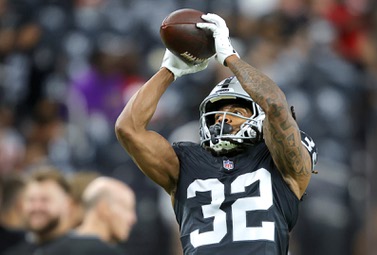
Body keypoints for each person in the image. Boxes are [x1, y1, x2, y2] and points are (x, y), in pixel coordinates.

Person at [115, 13, 318, 255]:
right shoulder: (185, 162)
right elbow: (128, 128)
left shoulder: (278, 164)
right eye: (217, 112)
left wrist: (230, 57)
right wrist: (168, 71)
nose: (223, 117)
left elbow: (275, 106)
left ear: (258, 115)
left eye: (236, 109)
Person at [44, 176, 137, 255]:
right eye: (127, 208)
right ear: (104, 208)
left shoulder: (48, 249)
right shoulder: (108, 253)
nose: (133, 219)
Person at [4, 166, 72, 255]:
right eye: (31, 200)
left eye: (45, 200)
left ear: (67, 203)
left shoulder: (86, 249)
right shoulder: (12, 251)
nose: (37, 207)